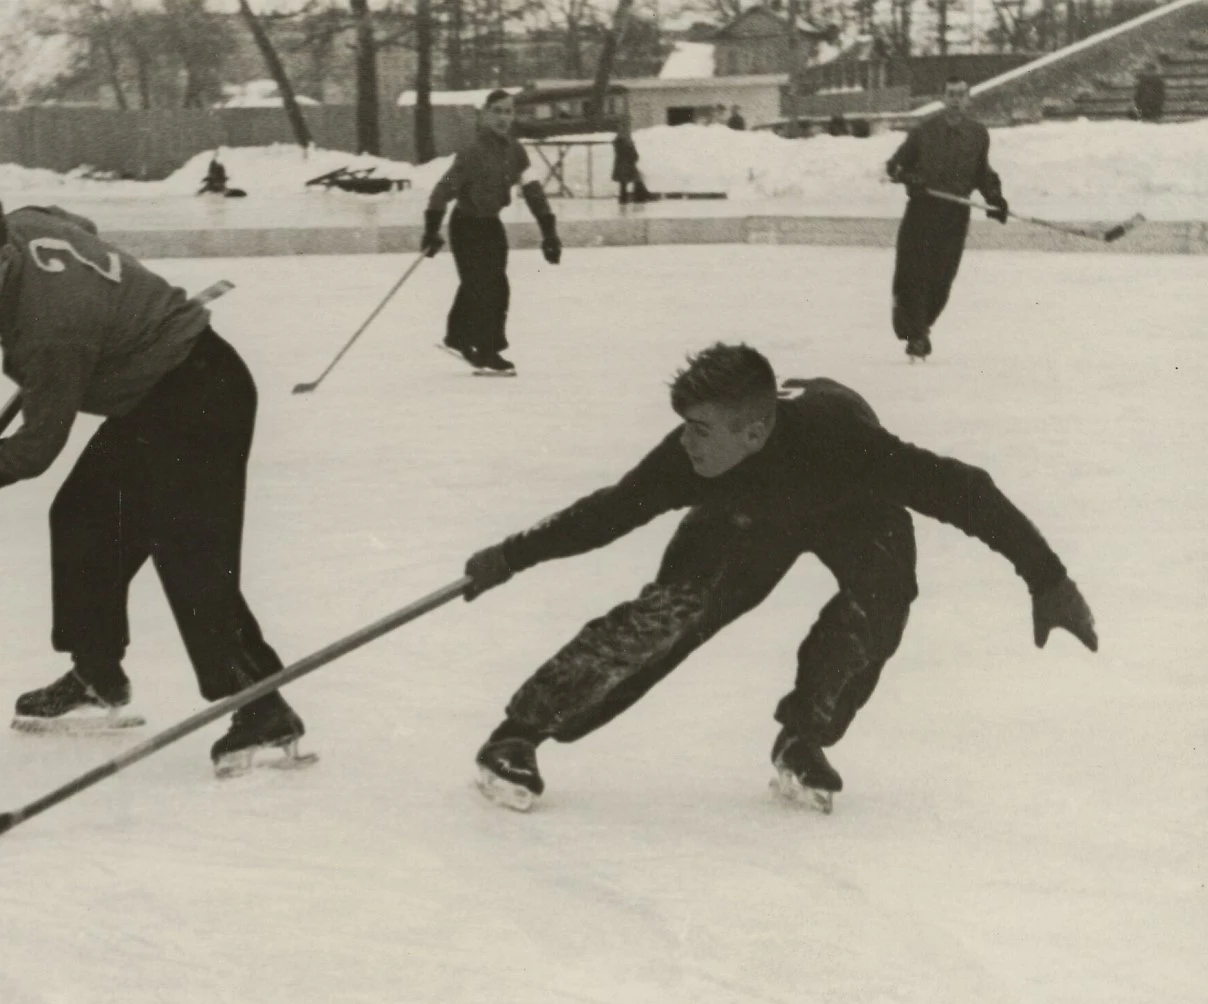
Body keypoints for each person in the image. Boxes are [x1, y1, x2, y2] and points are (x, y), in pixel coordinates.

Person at [460, 343, 1097, 814]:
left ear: (756, 428)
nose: (687, 442)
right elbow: (607, 514)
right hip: (745, 516)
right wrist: (511, 555)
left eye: (701, 429)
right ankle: (519, 734)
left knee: (880, 603)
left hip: (851, 508)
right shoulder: (695, 457)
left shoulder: (844, 445)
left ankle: (803, 739)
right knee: (673, 612)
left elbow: (966, 491)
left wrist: (1049, 580)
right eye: (685, 424)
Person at [0, 185, 308, 776]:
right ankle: (97, 672)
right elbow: (79, 224)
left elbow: (38, 446)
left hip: (201, 396)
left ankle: (265, 709)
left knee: (191, 559)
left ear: (1, 254)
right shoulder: (22, 223)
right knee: (83, 517)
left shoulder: (51, 329)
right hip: (148, 396)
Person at [421, 89, 562, 376]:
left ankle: (458, 336)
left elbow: (533, 191)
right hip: (466, 224)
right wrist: (431, 230)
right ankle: (487, 351)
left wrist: (549, 232)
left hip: (491, 225)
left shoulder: (515, 151)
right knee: (484, 286)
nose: (503, 117)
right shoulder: (471, 152)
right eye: (496, 111)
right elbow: (442, 190)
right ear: (484, 114)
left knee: (490, 284)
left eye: (508, 112)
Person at [884, 78, 1008, 362]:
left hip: (955, 216)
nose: (955, 99)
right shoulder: (924, 131)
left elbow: (982, 173)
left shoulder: (978, 134)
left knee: (942, 279)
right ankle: (917, 335)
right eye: (950, 94)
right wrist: (910, 178)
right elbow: (895, 166)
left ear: (968, 99)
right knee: (915, 275)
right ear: (943, 97)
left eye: (960, 94)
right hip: (922, 212)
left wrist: (995, 198)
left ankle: (920, 327)